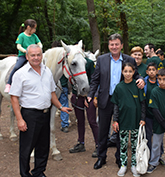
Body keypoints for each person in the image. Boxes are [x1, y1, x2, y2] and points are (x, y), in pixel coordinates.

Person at [9, 44, 72, 177]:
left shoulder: (47, 71)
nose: (36, 58)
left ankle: (39, 172)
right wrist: (20, 119)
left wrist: (60, 107)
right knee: (26, 148)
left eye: (38, 55)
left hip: (45, 114)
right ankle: (25, 174)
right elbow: (14, 98)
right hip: (29, 115)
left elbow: (52, 93)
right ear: (27, 56)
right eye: (33, 55)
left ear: (42, 55)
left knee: (43, 147)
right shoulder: (20, 74)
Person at [86, 33, 145, 170]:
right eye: (112, 44)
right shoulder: (101, 60)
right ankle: (101, 157)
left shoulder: (129, 59)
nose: (114, 47)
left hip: (122, 101)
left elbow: (136, 74)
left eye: (117, 44)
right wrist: (90, 95)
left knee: (120, 131)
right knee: (103, 131)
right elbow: (95, 79)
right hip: (105, 100)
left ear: (121, 46)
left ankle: (120, 159)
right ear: (108, 46)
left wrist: (141, 79)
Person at [111, 62, 146, 177]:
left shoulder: (138, 86)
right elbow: (116, 105)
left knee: (136, 145)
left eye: (130, 71)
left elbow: (142, 103)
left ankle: (134, 165)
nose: (128, 74)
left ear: (134, 72)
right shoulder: (119, 87)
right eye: (125, 71)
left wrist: (142, 118)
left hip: (136, 120)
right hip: (123, 120)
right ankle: (123, 165)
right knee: (123, 144)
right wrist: (115, 120)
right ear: (122, 72)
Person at [69, 46, 99, 158]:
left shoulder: (90, 63)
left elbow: (95, 80)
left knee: (92, 121)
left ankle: (98, 145)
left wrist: (88, 96)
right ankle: (81, 143)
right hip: (77, 96)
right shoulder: (71, 63)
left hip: (89, 96)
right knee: (80, 121)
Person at [5, 19, 42, 93]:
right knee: (16, 67)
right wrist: (26, 51)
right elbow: (18, 46)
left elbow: (39, 43)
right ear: (28, 27)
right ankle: (9, 84)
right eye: (34, 28)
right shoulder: (21, 36)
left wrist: (39, 49)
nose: (35, 30)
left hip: (33, 56)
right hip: (23, 56)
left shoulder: (34, 36)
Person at [144, 62, 165, 167]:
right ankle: (149, 156)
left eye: (153, 70)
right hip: (148, 114)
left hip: (158, 114)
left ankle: (159, 156)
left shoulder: (161, 82)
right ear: (147, 71)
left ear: (157, 71)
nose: (151, 72)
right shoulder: (144, 82)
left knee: (159, 135)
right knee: (148, 136)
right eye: (149, 70)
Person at [51, 40, 70, 133]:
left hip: (58, 85)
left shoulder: (54, 59)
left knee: (62, 103)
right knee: (64, 103)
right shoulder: (64, 58)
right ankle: (65, 124)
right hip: (63, 85)